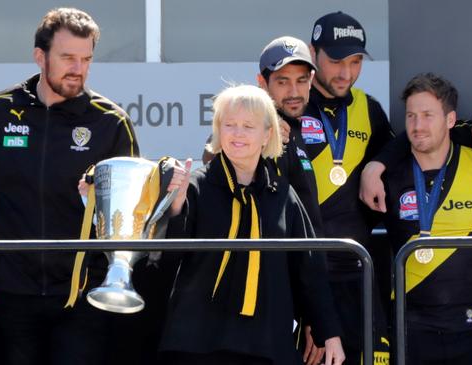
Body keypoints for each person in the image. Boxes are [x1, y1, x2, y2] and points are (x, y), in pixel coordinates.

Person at [0, 8, 139, 365]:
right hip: (11, 293)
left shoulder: (111, 121)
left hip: (83, 295)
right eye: (68, 57)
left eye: (86, 59)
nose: (78, 69)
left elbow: (130, 215)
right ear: (40, 56)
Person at [160, 84, 345, 365]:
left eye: (248, 126)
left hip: (267, 345)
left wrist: (329, 333)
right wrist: (175, 207)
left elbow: (310, 268)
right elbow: (164, 261)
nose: (237, 133)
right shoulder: (196, 185)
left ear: (267, 134)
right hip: (198, 345)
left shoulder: (283, 194)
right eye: (229, 124)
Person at [379, 73, 472, 364]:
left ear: (450, 120)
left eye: (427, 115)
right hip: (409, 333)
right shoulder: (387, 175)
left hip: (471, 330)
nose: (417, 125)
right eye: (411, 116)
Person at [301, 11, 394, 363]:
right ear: (313, 53)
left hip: (358, 271)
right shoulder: (293, 104)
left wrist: (376, 164)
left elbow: (400, 147)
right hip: (307, 273)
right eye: (336, 61)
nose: (346, 72)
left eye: (355, 61)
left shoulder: (368, 109)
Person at [256, 36, 335, 364]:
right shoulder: (249, 132)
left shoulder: (298, 133)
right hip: (259, 300)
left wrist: (312, 314)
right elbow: (211, 153)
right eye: (283, 81)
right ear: (262, 83)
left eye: (302, 81)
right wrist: (262, 136)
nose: (294, 91)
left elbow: (306, 233)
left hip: (294, 298)